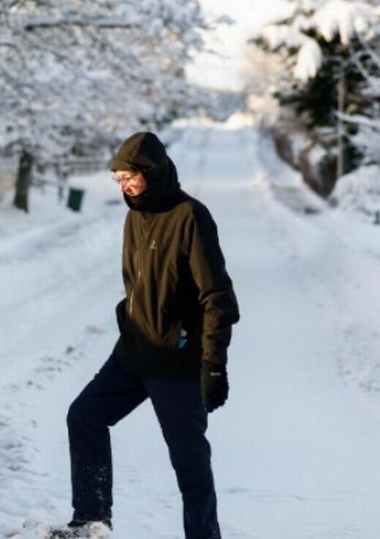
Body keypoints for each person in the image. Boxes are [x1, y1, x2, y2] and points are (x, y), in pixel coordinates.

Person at [52, 132, 240, 539]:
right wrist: (129, 320)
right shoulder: (134, 216)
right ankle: (91, 518)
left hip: (176, 362)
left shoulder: (191, 216)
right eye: (118, 179)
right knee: (83, 416)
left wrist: (213, 365)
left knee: (189, 461)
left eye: (129, 177)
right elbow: (136, 284)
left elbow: (218, 297)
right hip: (134, 352)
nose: (124, 186)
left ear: (151, 171)